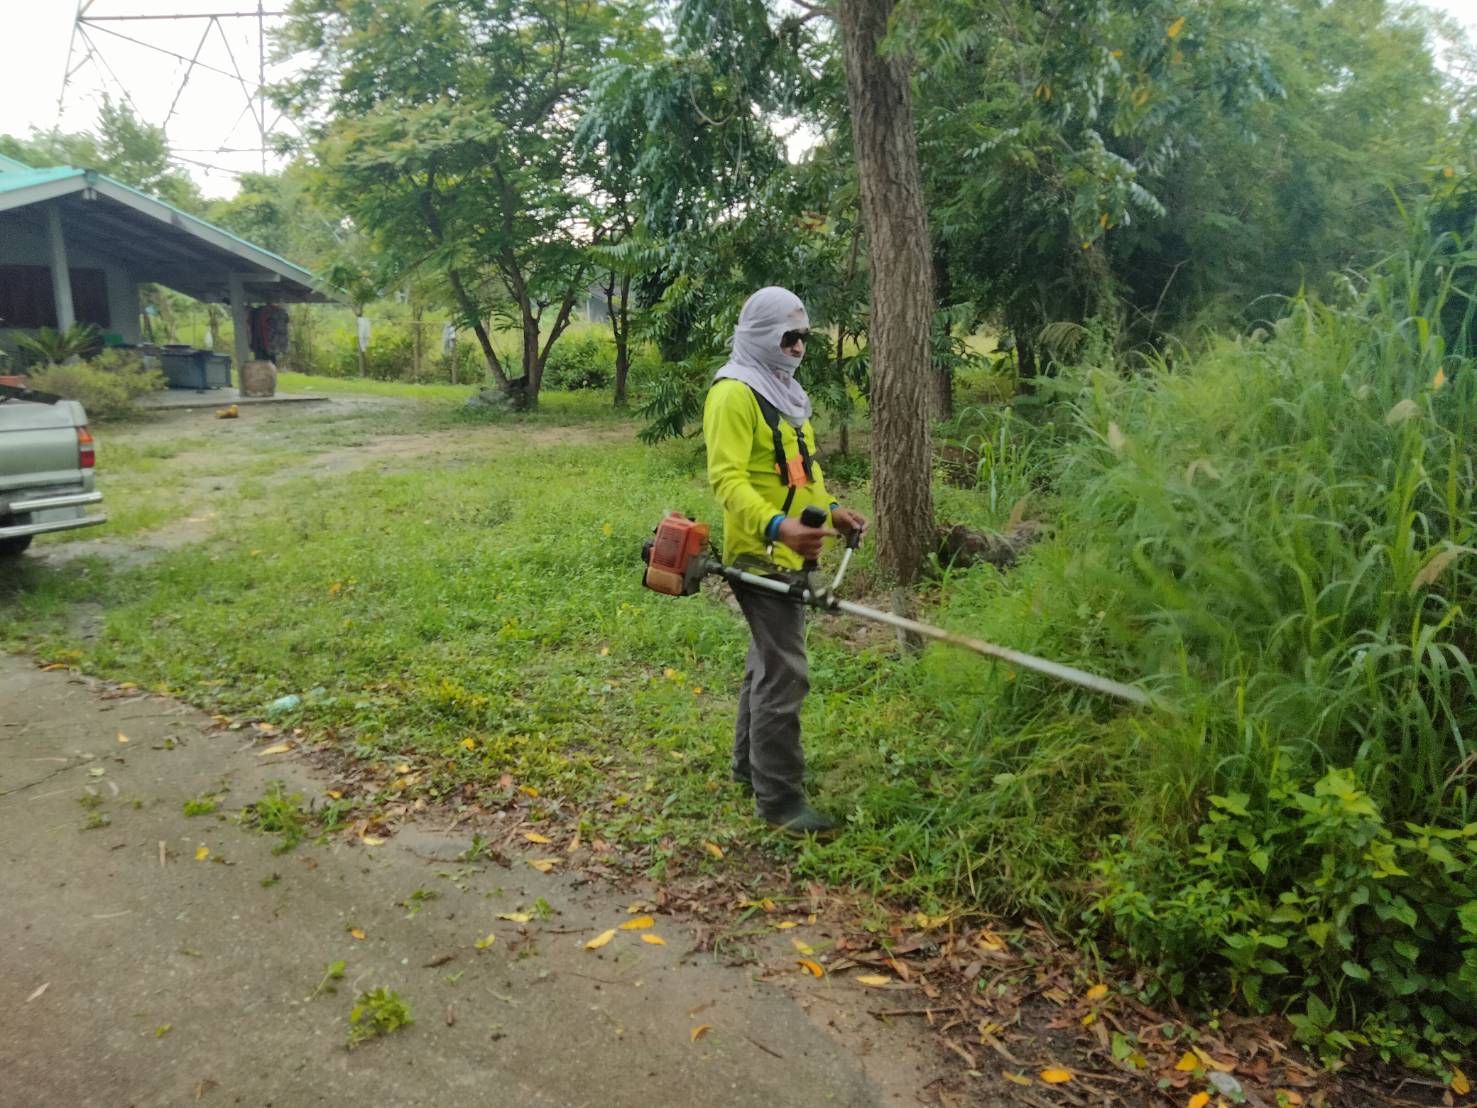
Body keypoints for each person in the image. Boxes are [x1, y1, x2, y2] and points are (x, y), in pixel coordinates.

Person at [702, 287, 868, 834]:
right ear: (759, 337)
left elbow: (801, 476)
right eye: (787, 337)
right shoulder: (733, 395)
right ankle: (780, 803)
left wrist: (834, 511)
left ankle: (748, 770)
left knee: (765, 662)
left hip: (788, 551)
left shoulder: (785, 394)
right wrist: (779, 528)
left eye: (803, 337)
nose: (797, 348)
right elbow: (727, 481)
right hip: (759, 553)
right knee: (786, 673)